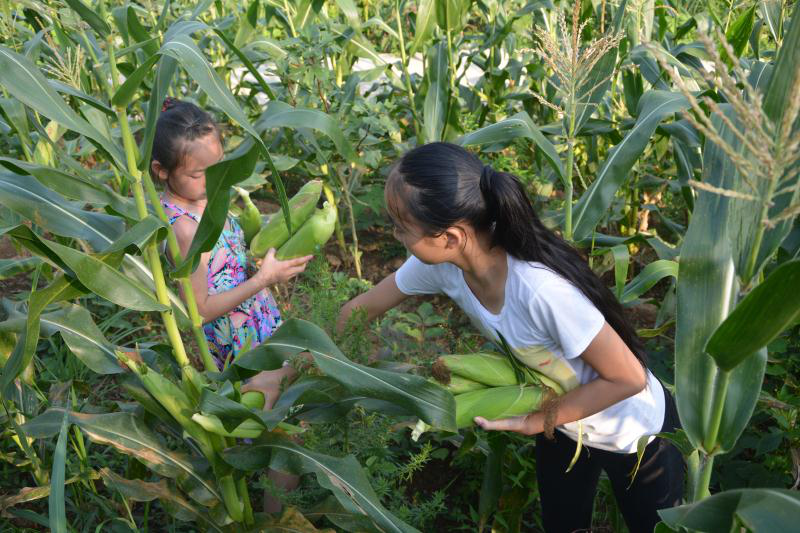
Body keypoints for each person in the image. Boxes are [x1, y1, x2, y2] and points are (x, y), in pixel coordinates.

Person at [336, 142, 684, 533]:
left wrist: (538, 421)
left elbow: (628, 378)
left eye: (402, 227)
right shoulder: (443, 268)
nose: (396, 235)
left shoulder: (539, 291)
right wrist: (300, 363)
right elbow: (357, 313)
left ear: (450, 237)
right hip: (565, 423)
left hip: (636, 433)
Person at [150, 97, 311, 511]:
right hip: (236, 343)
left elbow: (224, 265)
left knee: (284, 414)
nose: (213, 180)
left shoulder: (206, 200)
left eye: (219, 167)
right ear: (161, 172)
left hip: (254, 324)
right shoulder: (185, 228)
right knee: (285, 430)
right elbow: (200, 308)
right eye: (199, 174)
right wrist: (263, 279)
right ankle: (274, 518)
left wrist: (255, 266)